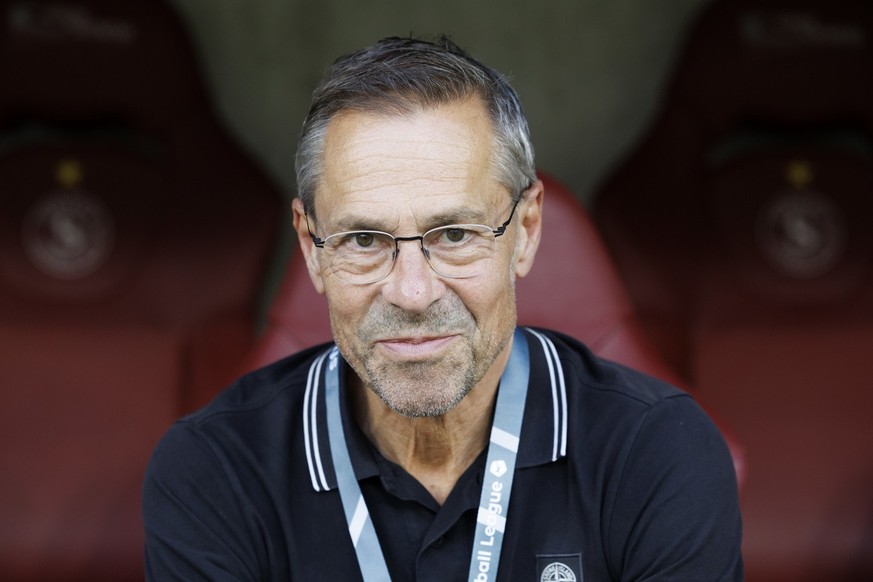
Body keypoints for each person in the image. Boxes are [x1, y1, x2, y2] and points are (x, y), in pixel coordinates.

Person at [142, 35, 743, 581]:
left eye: (454, 234)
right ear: (312, 248)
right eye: (363, 240)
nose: (412, 292)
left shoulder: (659, 450)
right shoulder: (215, 468)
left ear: (526, 230)